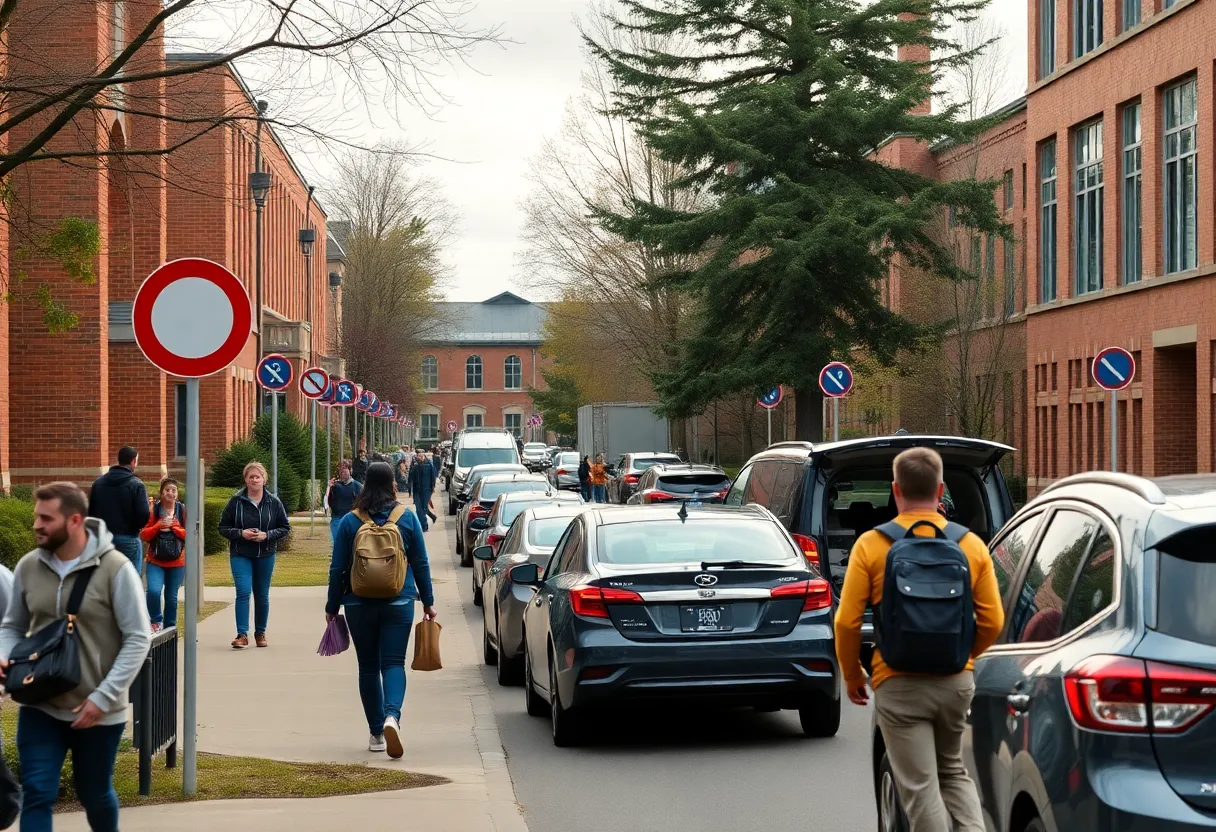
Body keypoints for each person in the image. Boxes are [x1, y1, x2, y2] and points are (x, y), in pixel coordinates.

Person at [835, 448, 1003, 832]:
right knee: (953, 772)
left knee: (919, 785)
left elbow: (845, 622)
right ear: (940, 489)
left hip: (899, 681)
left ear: (895, 490)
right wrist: (963, 656)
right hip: (956, 681)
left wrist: (853, 675)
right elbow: (993, 620)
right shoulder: (971, 545)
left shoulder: (872, 545)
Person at [0, 482, 151, 832]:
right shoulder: (28, 567)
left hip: (98, 711)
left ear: (74, 521)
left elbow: (137, 638)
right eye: (37, 516)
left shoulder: (116, 569)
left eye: (46, 518)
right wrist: (5, 654)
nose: (36, 524)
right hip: (41, 703)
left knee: (94, 793)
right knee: (38, 791)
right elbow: (11, 625)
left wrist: (104, 697)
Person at [326, 462, 436, 759]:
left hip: (358, 603)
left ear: (364, 485)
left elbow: (337, 568)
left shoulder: (351, 521)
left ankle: (376, 733)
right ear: (392, 484)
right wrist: (428, 601)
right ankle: (392, 717)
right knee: (393, 663)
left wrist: (332, 606)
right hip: (399, 601)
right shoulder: (407, 518)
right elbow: (421, 563)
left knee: (368, 667)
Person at [218, 462, 291, 649]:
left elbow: (284, 527)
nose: (254, 480)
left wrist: (267, 535)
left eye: (257, 476)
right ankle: (242, 634)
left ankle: (260, 633)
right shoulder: (236, 501)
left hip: (265, 553)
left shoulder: (273, 502)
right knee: (243, 591)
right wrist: (240, 533)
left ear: (264, 479)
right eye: (251, 477)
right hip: (240, 553)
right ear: (245, 480)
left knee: (261, 594)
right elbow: (223, 527)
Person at [87, 445, 151, 576]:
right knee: (130, 581)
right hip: (128, 538)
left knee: (105, 582)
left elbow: (91, 513)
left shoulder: (98, 483)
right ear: (133, 461)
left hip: (103, 539)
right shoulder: (136, 484)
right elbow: (143, 516)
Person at [139, 477, 186, 632]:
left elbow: (190, 535)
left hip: (177, 561)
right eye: (167, 490)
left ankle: (170, 627)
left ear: (177, 494)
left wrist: (175, 527)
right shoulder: (154, 510)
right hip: (155, 560)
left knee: (171, 597)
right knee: (153, 590)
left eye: (173, 490)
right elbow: (144, 535)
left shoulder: (182, 510)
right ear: (161, 493)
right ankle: (156, 621)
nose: (170, 493)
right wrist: (158, 526)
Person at [327, 459, 363, 543]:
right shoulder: (334, 485)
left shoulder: (358, 486)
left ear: (350, 470)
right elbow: (326, 502)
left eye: (345, 468)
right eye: (340, 469)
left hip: (352, 519)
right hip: (337, 519)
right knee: (336, 544)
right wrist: (328, 487)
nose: (342, 471)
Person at [407, 446, 438, 532]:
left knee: (423, 508)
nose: (420, 457)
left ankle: (425, 524)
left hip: (427, 489)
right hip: (417, 490)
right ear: (416, 456)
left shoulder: (429, 464)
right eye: (419, 456)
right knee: (418, 508)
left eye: (422, 455)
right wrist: (410, 490)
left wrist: (433, 487)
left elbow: (433, 476)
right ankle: (425, 525)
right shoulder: (414, 465)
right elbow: (410, 478)